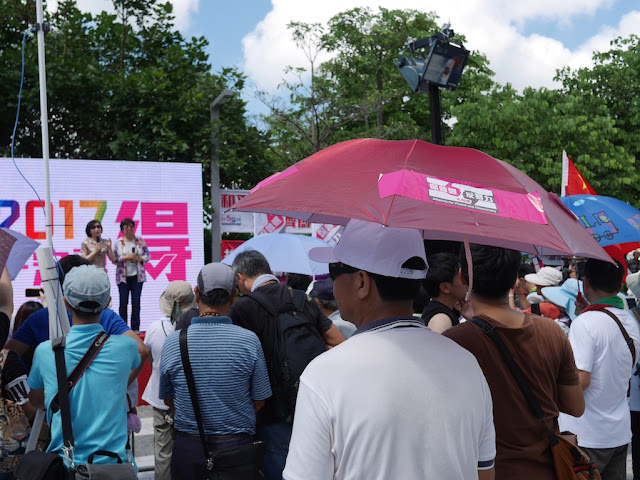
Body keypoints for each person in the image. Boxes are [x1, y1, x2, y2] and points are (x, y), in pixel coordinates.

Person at [284, 220, 496, 480]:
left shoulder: (323, 375)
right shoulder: (467, 364)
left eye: (334, 270)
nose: (332, 281)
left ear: (362, 281)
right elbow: (484, 472)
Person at [443, 245, 584, 480]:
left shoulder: (453, 343)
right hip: (548, 470)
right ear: (514, 281)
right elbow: (575, 407)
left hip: (487, 472)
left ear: (462, 277)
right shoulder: (551, 331)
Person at [229, 250, 345, 480]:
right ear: (268, 270)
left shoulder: (243, 309)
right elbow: (338, 343)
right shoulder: (301, 297)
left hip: (272, 412)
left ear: (241, 278)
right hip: (314, 403)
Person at [159, 263, 272, 480]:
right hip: (238, 451)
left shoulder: (174, 342)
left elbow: (167, 399)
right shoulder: (248, 341)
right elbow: (260, 400)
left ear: (196, 293)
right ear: (234, 296)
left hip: (188, 450)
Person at [28, 265, 140, 466]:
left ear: (66, 304)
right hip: (115, 468)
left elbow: (36, 400)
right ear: (107, 304)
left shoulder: (46, 352)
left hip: (67, 467)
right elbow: (139, 357)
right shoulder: (127, 347)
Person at [5, 255, 149, 385]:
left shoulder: (40, 324)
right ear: (106, 301)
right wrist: (118, 388)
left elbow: (7, 355)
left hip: (57, 407)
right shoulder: (107, 316)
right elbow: (142, 351)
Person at [559, 258, 640, 479]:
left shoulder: (586, 323)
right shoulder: (629, 319)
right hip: (619, 432)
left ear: (585, 283)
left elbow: (581, 380)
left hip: (587, 435)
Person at [143, 281, 196, 480]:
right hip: (189, 399)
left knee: (164, 452)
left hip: (161, 398)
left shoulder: (155, 328)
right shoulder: (195, 327)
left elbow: (150, 359)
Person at [114, 218, 150, 332]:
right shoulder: (118, 243)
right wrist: (127, 257)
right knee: (123, 303)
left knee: (136, 303)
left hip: (137, 276)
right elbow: (115, 259)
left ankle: (135, 328)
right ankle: (123, 328)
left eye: (131, 226)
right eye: (126, 227)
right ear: (122, 229)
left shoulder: (140, 241)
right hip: (123, 277)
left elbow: (147, 255)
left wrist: (139, 258)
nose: (129, 229)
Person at [421, 252, 465, 333]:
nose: (465, 280)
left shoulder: (443, 312)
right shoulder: (441, 319)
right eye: (461, 276)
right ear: (445, 287)